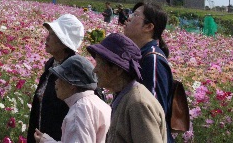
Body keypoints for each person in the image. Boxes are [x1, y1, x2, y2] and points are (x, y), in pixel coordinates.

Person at [87, 33, 167, 143]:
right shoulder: (125, 96)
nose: (95, 70)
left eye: (99, 64)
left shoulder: (138, 104)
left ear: (117, 70)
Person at [27, 14, 85, 143]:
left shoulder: (74, 73)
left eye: (52, 34)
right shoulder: (51, 64)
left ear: (64, 42)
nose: (46, 38)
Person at [123, 1, 174, 143]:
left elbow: (152, 111)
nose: (128, 18)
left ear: (149, 27)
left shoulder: (152, 59)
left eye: (135, 15)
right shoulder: (138, 55)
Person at [33, 55, 111, 143]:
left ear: (72, 85)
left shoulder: (79, 110)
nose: (56, 82)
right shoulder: (98, 103)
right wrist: (46, 140)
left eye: (60, 78)